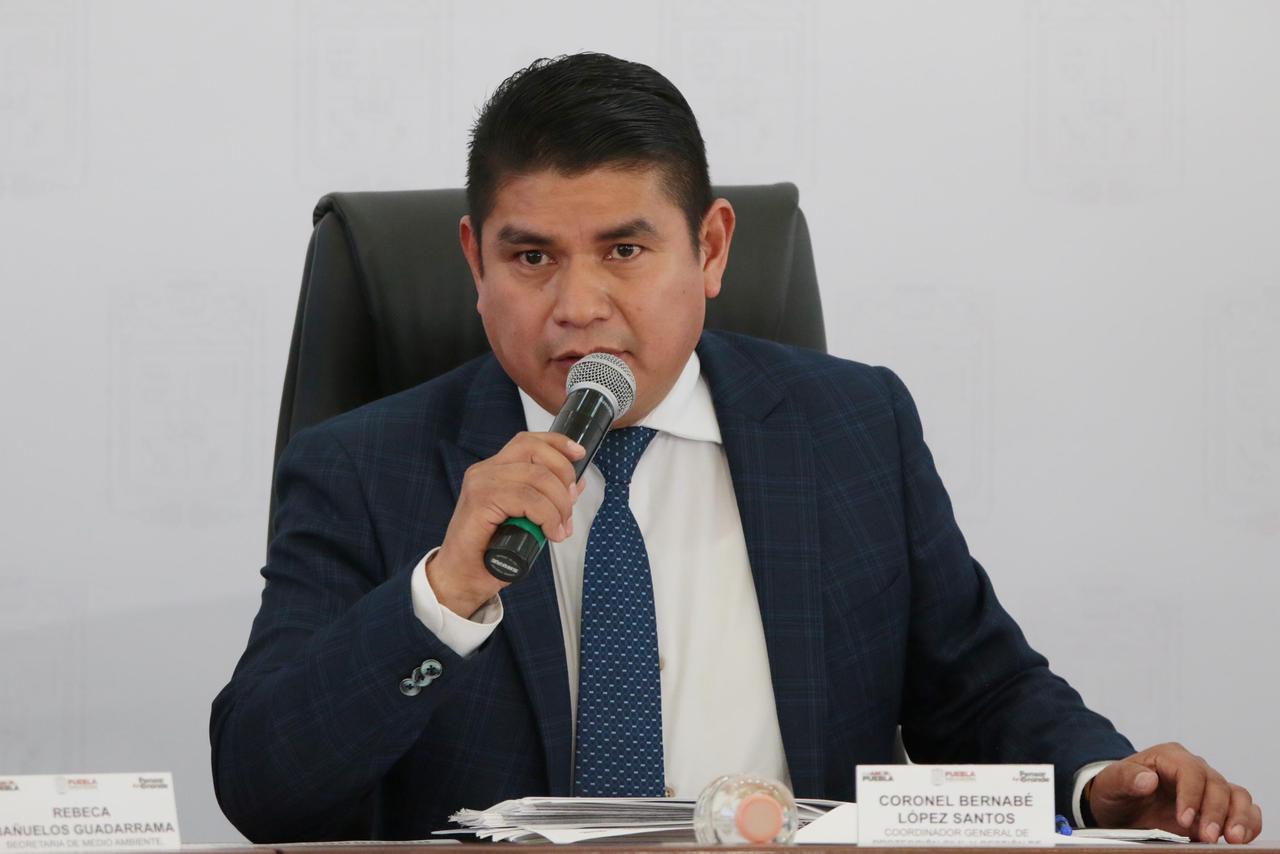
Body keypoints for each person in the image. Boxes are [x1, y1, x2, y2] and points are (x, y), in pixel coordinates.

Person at [210, 52, 1262, 844]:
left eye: (625, 249)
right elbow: (264, 790)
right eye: (529, 258)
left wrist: (1098, 783)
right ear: (472, 263)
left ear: (710, 249)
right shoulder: (363, 468)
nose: (577, 305)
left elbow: (980, 693)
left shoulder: (851, 427)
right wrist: (443, 593)